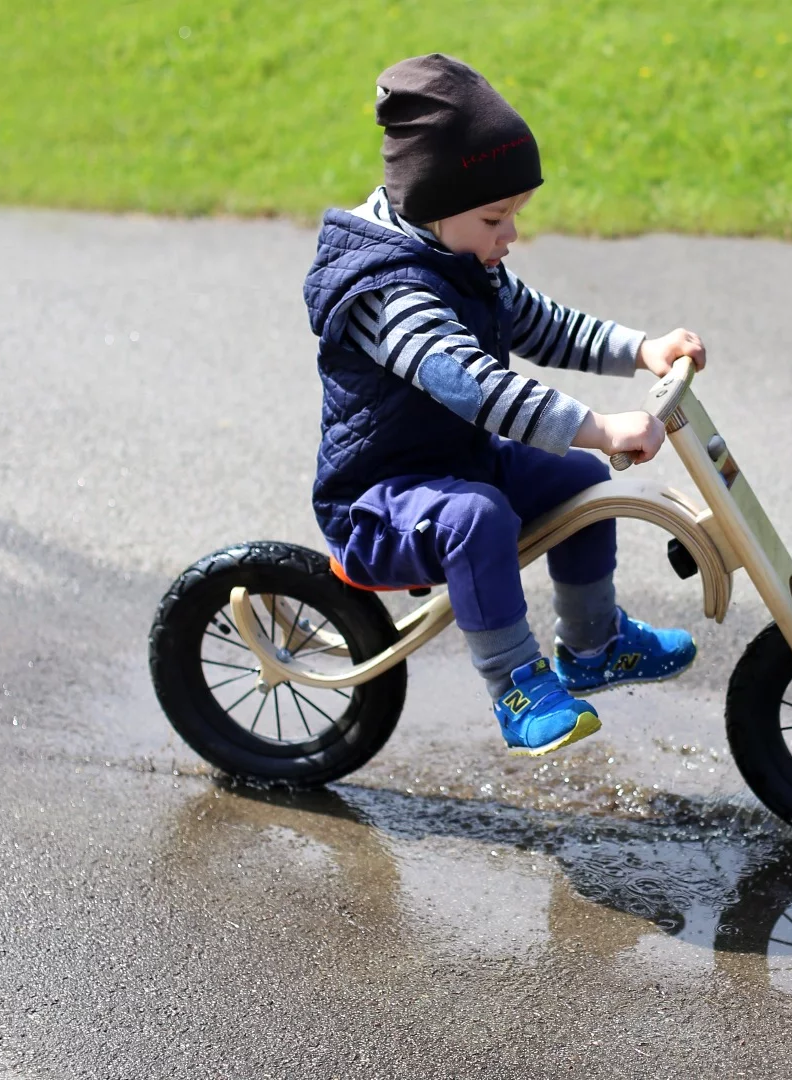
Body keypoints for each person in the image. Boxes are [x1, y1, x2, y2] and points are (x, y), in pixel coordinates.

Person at [303, 53, 705, 756]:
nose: (509, 237)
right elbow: (475, 386)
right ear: (431, 205)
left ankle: (593, 644)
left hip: (459, 463)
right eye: (496, 218)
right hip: (378, 504)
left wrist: (643, 349)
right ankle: (516, 686)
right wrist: (596, 425)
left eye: (513, 217)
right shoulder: (387, 295)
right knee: (478, 516)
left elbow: (547, 326)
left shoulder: (462, 259)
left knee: (579, 479)